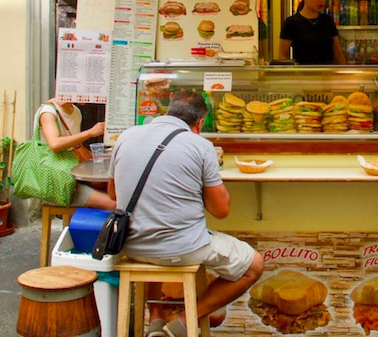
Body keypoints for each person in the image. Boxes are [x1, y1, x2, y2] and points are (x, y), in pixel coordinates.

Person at [108, 91, 264, 337]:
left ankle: (156, 321)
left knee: (154, 240)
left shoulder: (126, 137)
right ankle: (180, 324)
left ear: (168, 111)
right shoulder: (200, 145)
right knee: (254, 265)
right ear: (200, 123)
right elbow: (220, 210)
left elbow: (112, 194)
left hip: (130, 244)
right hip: (182, 250)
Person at [37, 99, 115, 210]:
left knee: (117, 194)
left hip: (74, 176)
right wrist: (89, 133)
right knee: (114, 204)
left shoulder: (76, 111)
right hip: (58, 181)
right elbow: (54, 144)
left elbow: (76, 146)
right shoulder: (48, 112)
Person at [279, 0, 347, 65]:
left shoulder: (327, 21)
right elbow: (282, 55)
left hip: (328, 74)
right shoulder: (291, 23)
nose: (321, 0)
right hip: (304, 75)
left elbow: (338, 52)